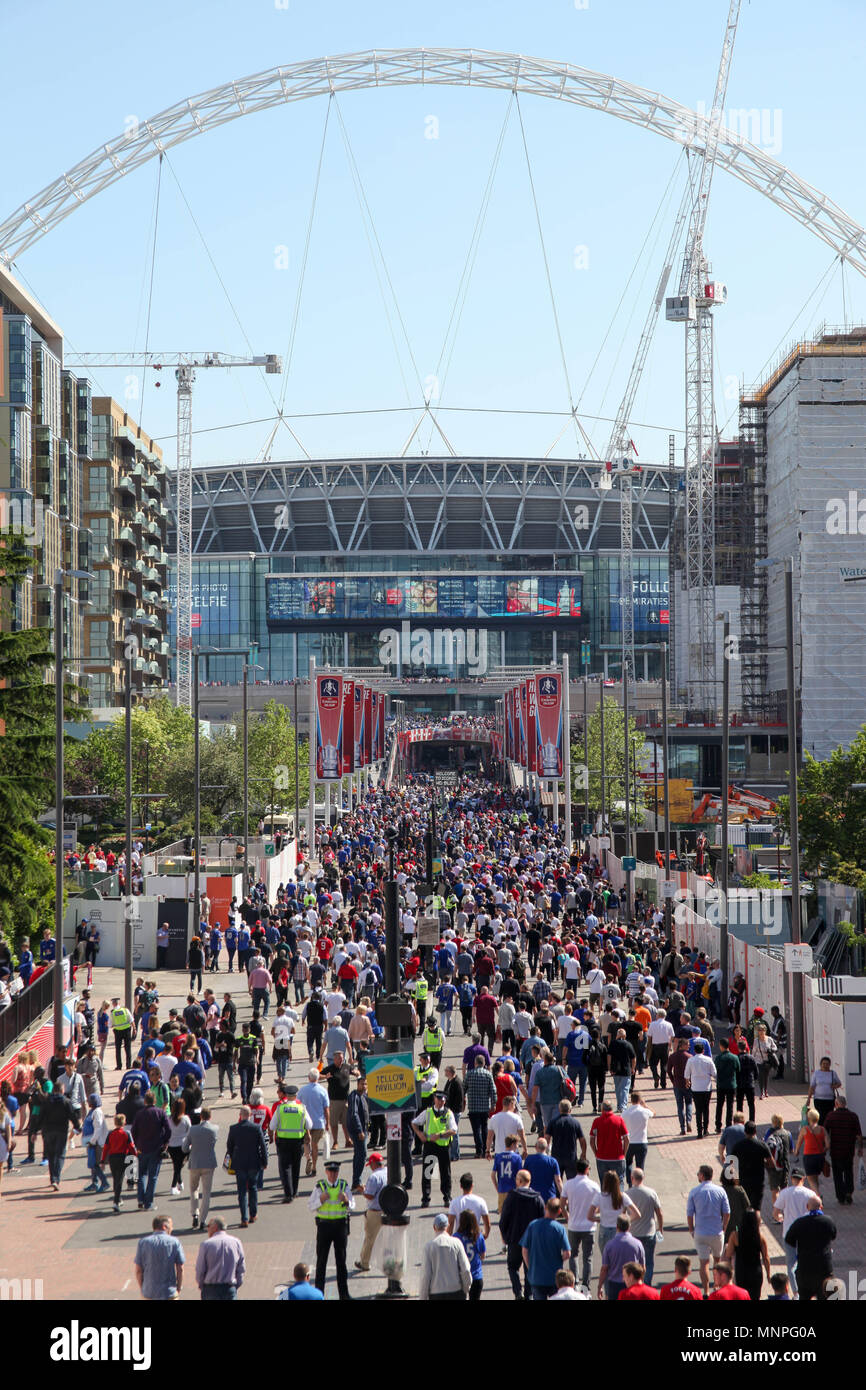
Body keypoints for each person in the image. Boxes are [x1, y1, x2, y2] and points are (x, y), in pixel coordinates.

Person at [309, 1159, 355, 1299]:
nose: (333, 1175)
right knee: (321, 1262)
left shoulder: (343, 1185)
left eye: (335, 1172)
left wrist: (346, 1201)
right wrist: (320, 1200)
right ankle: (319, 1294)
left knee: (341, 1261)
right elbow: (310, 1206)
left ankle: (344, 1294)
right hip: (324, 1226)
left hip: (340, 1226)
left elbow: (353, 1204)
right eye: (331, 1171)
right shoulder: (320, 1187)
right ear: (326, 1172)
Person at [686, 1164, 731, 1297]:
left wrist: (691, 1229)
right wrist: (724, 1226)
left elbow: (689, 1213)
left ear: (702, 1175)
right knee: (717, 1262)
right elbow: (727, 1212)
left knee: (703, 1263)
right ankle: (717, 1287)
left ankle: (705, 1291)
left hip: (700, 1232)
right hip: (717, 1232)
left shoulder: (694, 1192)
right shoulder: (720, 1191)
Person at [500, 1169, 545, 1300]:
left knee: (512, 1267)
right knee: (529, 1269)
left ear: (519, 1181)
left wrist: (505, 1236)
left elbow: (504, 1220)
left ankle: (518, 1291)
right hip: (532, 1242)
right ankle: (529, 1294)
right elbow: (543, 1221)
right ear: (529, 1181)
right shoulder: (537, 1199)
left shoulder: (511, 1197)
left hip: (514, 1239)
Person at [785, 1194, 837, 1300]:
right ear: (821, 1207)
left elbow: (789, 1239)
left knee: (804, 1296)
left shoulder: (799, 1223)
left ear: (807, 1207)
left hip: (805, 1268)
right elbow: (833, 1236)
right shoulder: (828, 1221)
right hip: (824, 1268)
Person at [226, 1103, 268, 1227]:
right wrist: (264, 1161)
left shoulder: (233, 1128)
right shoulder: (256, 1128)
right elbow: (263, 1146)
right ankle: (253, 1214)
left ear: (240, 1116)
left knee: (242, 1191)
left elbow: (229, 1146)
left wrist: (234, 1158)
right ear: (250, 1115)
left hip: (239, 1163)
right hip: (254, 1162)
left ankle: (243, 1218)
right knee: (253, 1188)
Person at [561, 1156, 600, 1290]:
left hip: (573, 1225)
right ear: (587, 1169)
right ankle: (586, 1285)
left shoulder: (569, 1184)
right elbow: (599, 1205)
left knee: (573, 1255)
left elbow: (562, 1202)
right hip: (589, 1226)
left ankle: (575, 1282)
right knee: (588, 1257)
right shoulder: (594, 1186)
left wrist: (567, 1216)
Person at [521, 1197, 571, 1300]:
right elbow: (567, 1254)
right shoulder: (559, 1228)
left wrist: (530, 1267)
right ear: (559, 1211)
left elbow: (524, 1250)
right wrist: (558, 1259)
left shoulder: (533, 1225)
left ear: (545, 1207)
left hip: (537, 1276)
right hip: (555, 1277)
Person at [414, 1090, 457, 1208]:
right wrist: (419, 1133)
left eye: (443, 1100)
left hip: (443, 1147)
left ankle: (447, 1197)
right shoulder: (427, 1112)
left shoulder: (448, 1113)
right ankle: (425, 1198)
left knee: (445, 1173)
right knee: (428, 1172)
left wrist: (440, 1135)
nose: (441, 1101)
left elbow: (454, 1130)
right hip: (430, 1146)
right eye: (439, 1099)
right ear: (434, 1099)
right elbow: (414, 1122)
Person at [772, 1167, 812, 1296]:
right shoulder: (809, 1194)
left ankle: (796, 1292)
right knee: (805, 1263)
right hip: (805, 1234)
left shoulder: (785, 1193)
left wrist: (780, 1218)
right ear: (803, 1178)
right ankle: (806, 1289)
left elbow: (775, 1212)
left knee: (791, 1264)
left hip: (789, 1233)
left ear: (792, 1179)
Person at [269, 1084, 311, 1204]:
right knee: (296, 1167)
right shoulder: (302, 1108)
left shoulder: (281, 1108)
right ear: (296, 1095)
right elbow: (309, 1125)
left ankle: (288, 1194)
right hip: (298, 1141)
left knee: (286, 1167)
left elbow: (272, 1126)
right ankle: (295, 1191)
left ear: (286, 1095)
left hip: (283, 1142)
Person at [419, 1212, 472, 1300]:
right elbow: (465, 1269)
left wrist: (423, 1297)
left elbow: (426, 1275)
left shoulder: (429, 1247)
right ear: (447, 1226)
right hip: (456, 1291)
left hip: (436, 1293)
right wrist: (466, 1288)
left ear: (434, 1227)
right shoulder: (456, 1243)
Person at [724, 1206, 770, 1302]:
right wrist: (768, 1275)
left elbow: (728, 1254)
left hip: (741, 1271)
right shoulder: (760, 1237)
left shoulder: (735, 1235)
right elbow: (766, 1258)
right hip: (756, 1272)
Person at [824, 1093, 863, 1205]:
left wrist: (826, 1145)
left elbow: (825, 1131)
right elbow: (859, 1135)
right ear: (845, 1104)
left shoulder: (831, 1116)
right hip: (848, 1150)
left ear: (836, 1104)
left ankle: (840, 1196)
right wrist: (860, 1148)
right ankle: (849, 1192)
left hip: (836, 1150)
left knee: (837, 1174)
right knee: (848, 1171)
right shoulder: (853, 1116)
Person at [134, 1216, 185, 1301]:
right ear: (164, 1227)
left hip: (149, 1293)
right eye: (171, 1226)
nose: (172, 1229)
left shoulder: (143, 1242)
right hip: (169, 1292)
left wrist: (143, 1288)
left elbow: (138, 1271)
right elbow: (180, 1268)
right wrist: (178, 1287)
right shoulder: (174, 1242)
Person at [183, 1107, 218, 1229]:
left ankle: (195, 1214)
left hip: (195, 1163)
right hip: (209, 1163)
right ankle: (203, 1219)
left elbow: (184, 1148)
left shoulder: (193, 1129)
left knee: (193, 1189)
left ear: (200, 1116)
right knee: (207, 1192)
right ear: (210, 1117)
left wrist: (192, 1148)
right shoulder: (214, 1129)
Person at [195, 1216, 245, 1300]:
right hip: (229, 1287)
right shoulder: (236, 1242)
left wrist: (201, 1285)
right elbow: (241, 1267)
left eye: (208, 1226)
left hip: (210, 1289)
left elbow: (200, 1269)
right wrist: (236, 1284)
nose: (207, 1229)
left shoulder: (206, 1245)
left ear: (215, 1227)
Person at [627, 1168, 663, 1285]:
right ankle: (646, 1285)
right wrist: (660, 1228)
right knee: (648, 1262)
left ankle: (634, 1284)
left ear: (632, 1179)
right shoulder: (651, 1193)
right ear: (643, 1178)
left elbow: (622, 1214)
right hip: (649, 1233)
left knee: (633, 1262)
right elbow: (659, 1213)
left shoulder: (627, 1194)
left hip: (633, 1234)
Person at [597, 1215, 644, 1302]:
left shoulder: (609, 1245)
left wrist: (600, 1286)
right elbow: (642, 1267)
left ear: (617, 1227)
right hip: (633, 1283)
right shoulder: (638, 1244)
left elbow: (604, 1269)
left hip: (614, 1286)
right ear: (629, 1226)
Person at [730, 1119, 772, 1212]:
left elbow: (731, 1163)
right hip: (758, 1180)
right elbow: (771, 1162)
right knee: (757, 1208)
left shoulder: (738, 1145)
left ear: (745, 1132)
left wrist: (733, 1179)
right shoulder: (762, 1145)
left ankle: (745, 1225)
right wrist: (763, 1163)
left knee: (744, 1206)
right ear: (755, 1131)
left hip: (743, 1180)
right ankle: (756, 1225)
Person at [355, 1152, 387, 1272]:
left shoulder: (374, 1177)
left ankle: (364, 1263)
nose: (370, 1167)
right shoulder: (389, 1172)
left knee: (370, 1238)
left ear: (374, 1164)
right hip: (387, 1210)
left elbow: (369, 1195)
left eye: (370, 1165)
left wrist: (362, 1190)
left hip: (375, 1211)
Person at [298, 1068, 329, 1177]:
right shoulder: (323, 1090)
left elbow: (298, 1106)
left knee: (306, 1142)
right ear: (318, 1078)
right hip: (318, 1122)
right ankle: (314, 1167)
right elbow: (326, 1109)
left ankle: (308, 1157)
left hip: (305, 1122)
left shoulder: (302, 1090)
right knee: (315, 1145)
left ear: (309, 1078)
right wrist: (327, 1123)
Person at [589, 1100, 628, 1185]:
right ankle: (618, 1198)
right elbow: (626, 1139)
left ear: (602, 1109)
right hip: (618, 1157)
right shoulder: (619, 1120)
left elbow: (592, 1141)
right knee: (619, 1182)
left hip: (602, 1157)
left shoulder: (597, 1121)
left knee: (604, 1184)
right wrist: (624, 1153)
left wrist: (596, 1153)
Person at [546, 1099, 586, 1180]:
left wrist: (546, 1152)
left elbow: (547, 1138)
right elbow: (582, 1140)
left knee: (557, 1181)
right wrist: (583, 1153)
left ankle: (558, 1193)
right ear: (570, 1110)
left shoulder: (553, 1122)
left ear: (559, 1109)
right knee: (572, 1181)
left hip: (556, 1156)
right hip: (571, 1157)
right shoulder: (575, 1123)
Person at [684, 1040, 716, 1139]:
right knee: (706, 1108)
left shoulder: (691, 1060)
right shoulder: (708, 1060)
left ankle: (699, 1132)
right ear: (703, 1050)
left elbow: (686, 1074)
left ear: (694, 1050)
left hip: (696, 1088)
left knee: (698, 1109)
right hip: (706, 1087)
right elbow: (714, 1073)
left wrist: (688, 1081)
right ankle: (706, 1129)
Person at [794, 1107, 829, 1194]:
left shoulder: (804, 1129)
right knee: (815, 1178)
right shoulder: (822, 1129)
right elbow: (828, 1144)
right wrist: (823, 1150)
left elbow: (799, 1143)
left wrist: (796, 1151)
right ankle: (816, 1194)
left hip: (809, 1157)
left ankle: (817, 1196)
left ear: (809, 1118)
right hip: (819, 1156)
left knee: (811, 1180)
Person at [448, 1171, 491, 1238]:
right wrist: (485, 1236)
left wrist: (449, 1239)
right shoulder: (481, 1201)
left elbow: (450, 1224)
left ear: (461, 1186)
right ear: (472, 1185)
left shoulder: (454, 1202)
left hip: (459, 1239)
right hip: (475, 1237)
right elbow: (487, 1223)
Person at [454, 1209, 486, 1300]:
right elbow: (483, 1255)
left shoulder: (456, 1237)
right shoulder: (478, 1236)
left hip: (460, 1276)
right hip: (476, 1275)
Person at [622, 1091, 653, 1181]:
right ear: (640, 1100)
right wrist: (645, 1105)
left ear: (631, 1100)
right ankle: (639, 1182)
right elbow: (653, 1113)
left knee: (628, 1163)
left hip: (629, 1142)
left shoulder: (625, 1113)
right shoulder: (645, 1111)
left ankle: (630, 1182)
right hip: (642, 1142)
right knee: (640, 1166)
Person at [347, 1075, 369, 1191]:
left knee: (358, 1155)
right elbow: (354, 1114)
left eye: (366, 1084)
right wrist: (360, 1130)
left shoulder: (364, 1096)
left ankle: (356, 1182)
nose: (364, 1086)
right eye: (362, 1084)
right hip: (357, 1131)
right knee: (362, 1155)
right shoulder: (354, 1096)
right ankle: (357, 1182)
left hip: (363, 1130)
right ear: (357, 1084)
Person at [763, 1113, 793, 1198]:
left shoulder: (770, 1132)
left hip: (773, 1164)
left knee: (775, 1189)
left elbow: (766, 1146)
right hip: (785, 1164)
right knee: (784, 1188)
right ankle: (784, 1208)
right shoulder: (788, 1133)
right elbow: (791, 1150)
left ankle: (776, 1209)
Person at [807, 1056, 842, 1126]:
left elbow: (839, 1083)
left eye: (827, 1064)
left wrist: (834, 1086)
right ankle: (821, 1130)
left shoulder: (833, 1073)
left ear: (830, 1065)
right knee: (820, 1116)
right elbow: (812, 1086)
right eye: (824, 1064)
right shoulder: (816, 1073)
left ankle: (828, 1131)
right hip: (818, 1099)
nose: (825, 1065)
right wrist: (808, 1099)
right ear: (820, 1064)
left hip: (830, 1099)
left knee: (829, 1116)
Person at [110, 998, 134, 1071]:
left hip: (117, 1032)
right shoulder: (125, 1010)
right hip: (127, 1031)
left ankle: (119, 1066)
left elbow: (110, 1024)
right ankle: (128, 1065)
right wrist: (135, 1028)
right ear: (119, 1003)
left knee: (118, 1049)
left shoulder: (113, 1012)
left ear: (113, 1004)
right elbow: (131, 1020)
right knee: (128, 1048)